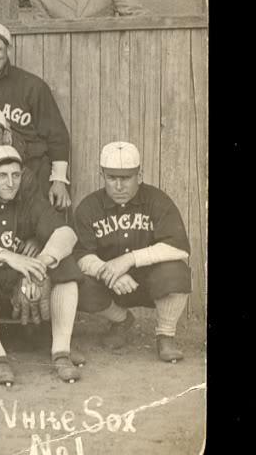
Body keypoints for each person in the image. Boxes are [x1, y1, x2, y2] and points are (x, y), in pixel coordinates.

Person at [0, 145, 84, 386]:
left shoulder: (30, 201)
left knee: (64, 263)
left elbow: (66, 233)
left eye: (16, 175)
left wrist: (40, 264)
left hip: (22, 287)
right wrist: (8, 256)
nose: (10, 182)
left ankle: (61, 353)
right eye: (1, 176)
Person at [73, 142, 192, 363]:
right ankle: (121, 320)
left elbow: (178, 247)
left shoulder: (157, 200)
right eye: (111, 178)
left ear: (140, 175)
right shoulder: (89, 207)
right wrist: (106, 271)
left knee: (177, 271)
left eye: (126, 178)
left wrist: (129, 259)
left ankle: (165, 334)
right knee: (77, 283)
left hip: (150, 280)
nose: (119, 186)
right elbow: (80, 254)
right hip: (111, 284)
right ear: (102, 175)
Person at [0, 21, 72, 211]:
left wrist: (59, 180)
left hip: (31, 167)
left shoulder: (31, 86)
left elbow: (57, 136)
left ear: (8, 50)